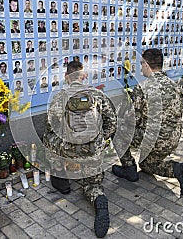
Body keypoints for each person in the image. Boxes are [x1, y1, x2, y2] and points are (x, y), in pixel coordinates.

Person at [43, 61, 116, 238]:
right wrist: (101, 141)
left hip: (69, 150)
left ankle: (62, 180)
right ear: (83, 76)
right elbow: (112, 122)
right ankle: (99, 199)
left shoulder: (61, 96)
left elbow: (50, 125)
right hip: (94, 152)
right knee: (91, 184)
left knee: (47, 138)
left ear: (67, 77)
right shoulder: (97, 94)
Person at [111, 48, 183, 196]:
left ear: (146, 65)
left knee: (117, 130)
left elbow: (132, 122)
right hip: (172, 139)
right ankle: (179, 170)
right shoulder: (175, 86)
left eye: (141, 63)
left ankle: (129, 169)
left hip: (152, 140)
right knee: (146, 165)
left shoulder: (143, 88)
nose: (140, 67)